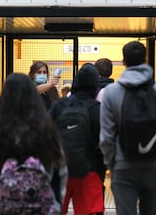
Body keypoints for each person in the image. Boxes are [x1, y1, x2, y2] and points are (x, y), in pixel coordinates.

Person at [99, 41, 156, 215]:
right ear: (146, 60)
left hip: (123, 165)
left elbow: (106, 138)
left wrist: (113, 164)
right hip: (155, 165)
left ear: (123, 62)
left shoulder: (111, 92)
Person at [0, 73, 67, 214]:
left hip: (5, 206)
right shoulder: (45, 128)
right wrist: (57, 204)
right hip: (42, 206)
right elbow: (60, 169)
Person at [49, 63, 105, 215]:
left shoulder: (58, 105)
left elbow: (46, 133)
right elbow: (104, 141)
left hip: (59, 171)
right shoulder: (97, 108)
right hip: (88, 171)